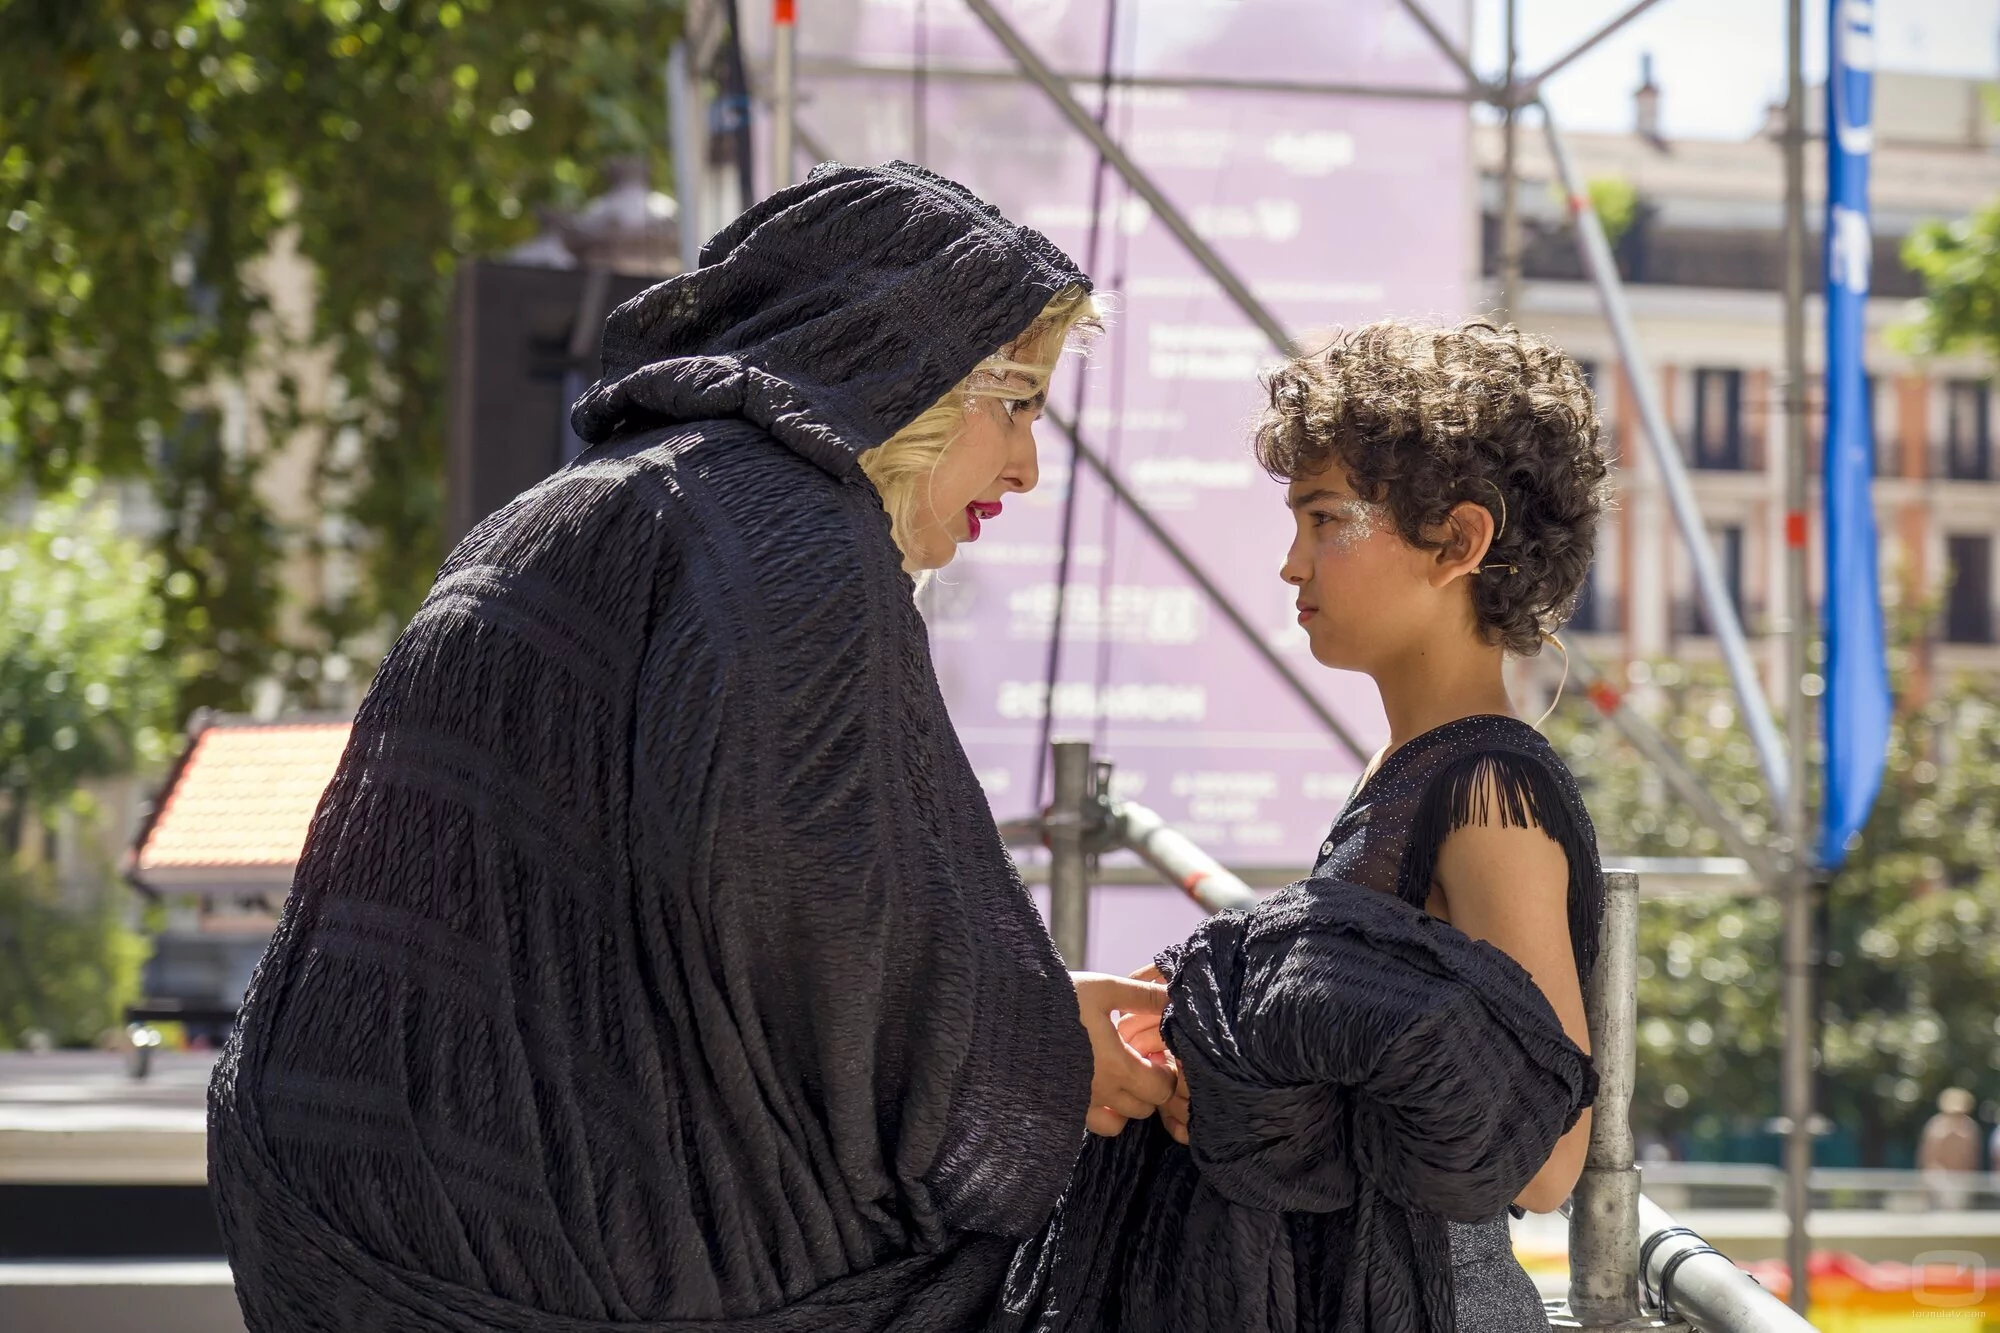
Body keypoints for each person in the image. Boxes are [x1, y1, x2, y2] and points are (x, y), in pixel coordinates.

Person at [207, 161, 1176, 1333]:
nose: (1026, 468)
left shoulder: (582, 502)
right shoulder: (794, 536)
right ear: (891, 363)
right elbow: (807, 912)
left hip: (332, 1213)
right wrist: (1041, 1048)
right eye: (1014, 404)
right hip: (549, 1261)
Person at [995, 320, 1608, 1333]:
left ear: (1458, 542)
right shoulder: (1414, 766)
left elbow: (1545, 1155)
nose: (1291, 563)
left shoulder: (1489, 788)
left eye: (1324, 519)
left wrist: (1268, 1084)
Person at [1919, 1087, 1980, 1208]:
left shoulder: (1970, 1128)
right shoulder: (1935, 1126)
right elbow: (1928, 1158)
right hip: (1939, 1181)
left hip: (1962, 1181)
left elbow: (1972, 1158)